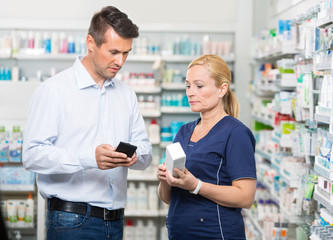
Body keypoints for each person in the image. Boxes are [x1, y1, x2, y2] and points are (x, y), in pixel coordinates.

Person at [22, 6, 152, 240]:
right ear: (91, 42)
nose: (120, 61)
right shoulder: (54, 91)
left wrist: (134, 157)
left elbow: (145, 152)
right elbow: (31, 155)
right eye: (113, 51)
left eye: (126, 53)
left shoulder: (126, 94)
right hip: (71, 221)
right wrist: (89, 158)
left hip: (115, 221)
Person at [157, 55, 257, 240]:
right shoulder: (184, 132)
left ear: (222, 89)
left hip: (216, 233)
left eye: (199, 86)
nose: (190, 92)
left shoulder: (236, 134)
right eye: (188, 86)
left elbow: (246, 197)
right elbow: (169, 198)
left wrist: (196, 185)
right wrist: (165, 179)